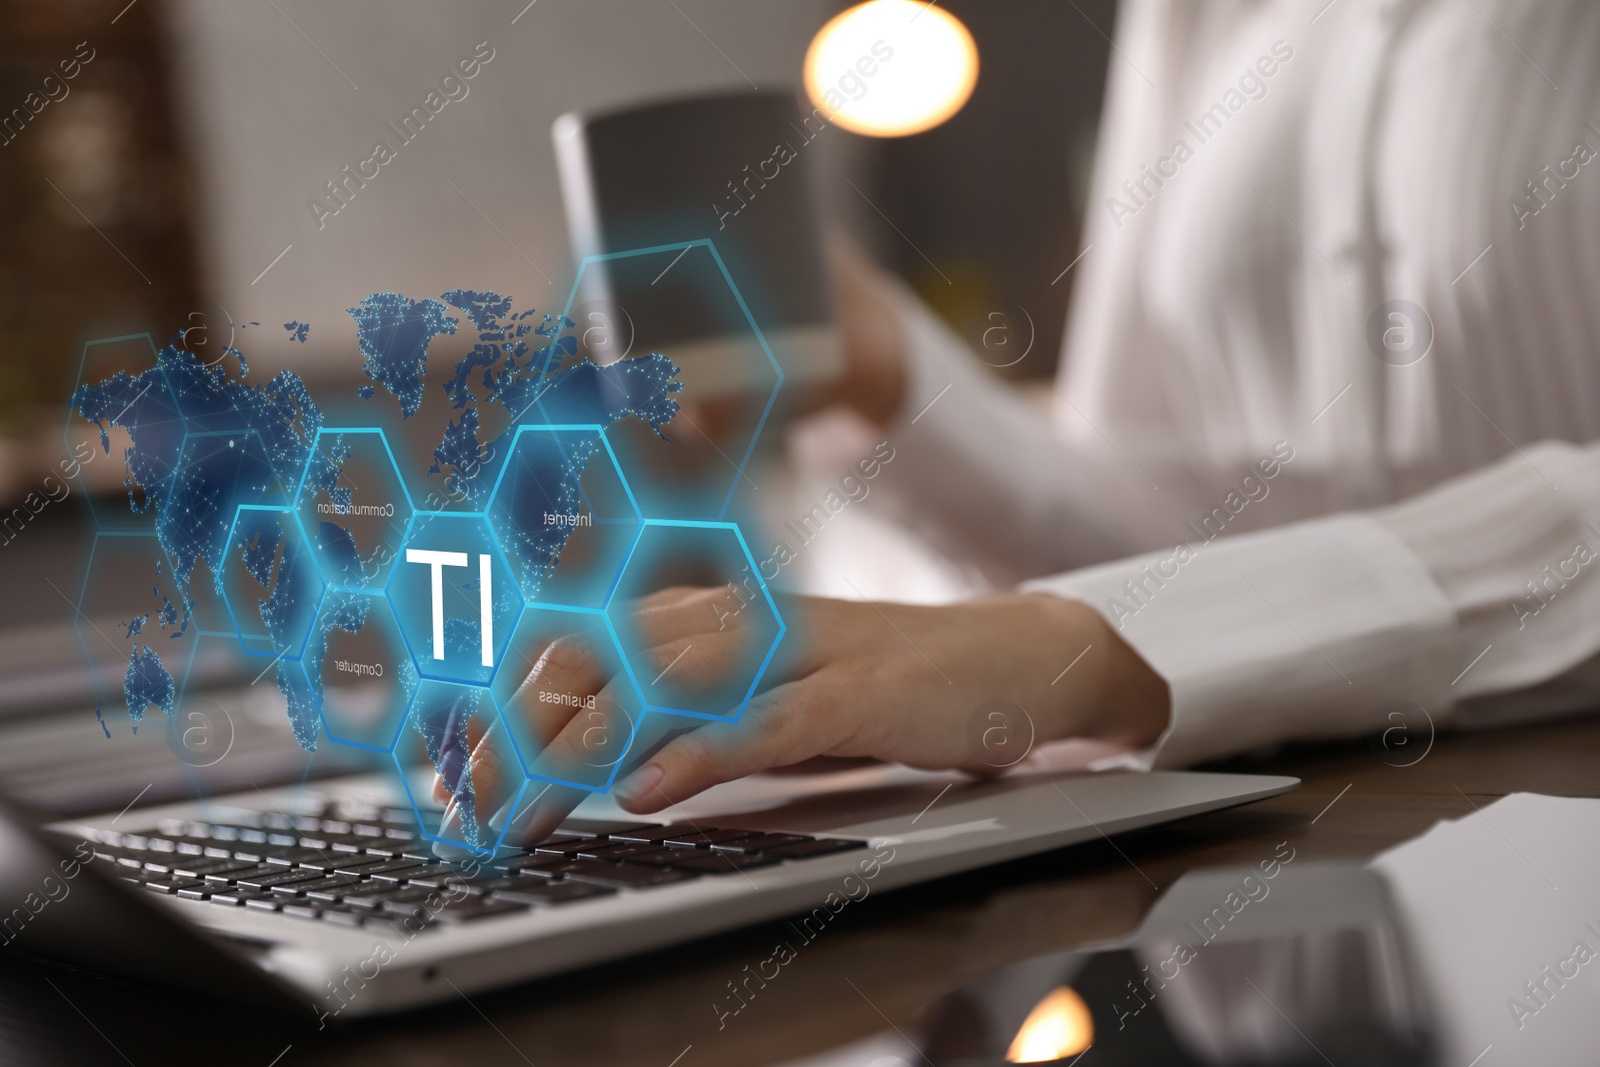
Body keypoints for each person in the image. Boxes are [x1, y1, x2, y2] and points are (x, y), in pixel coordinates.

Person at [439, 0, 1600, 845]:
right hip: (1255, 913)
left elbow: (1110, 613)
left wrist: (1066, 642)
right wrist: (892, 371)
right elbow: (1157, 528)